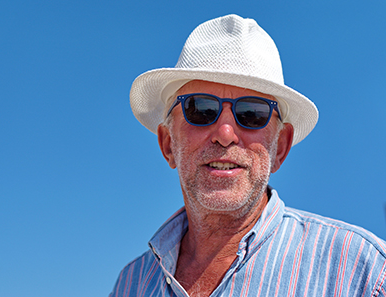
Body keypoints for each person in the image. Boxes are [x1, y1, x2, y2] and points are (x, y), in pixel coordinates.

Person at [110, 14, 386, 297]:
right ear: (168, 144)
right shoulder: (130, 285)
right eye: (201, 109)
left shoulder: (365, 275)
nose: (225, 133)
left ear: (280, 147)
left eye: (252, 113)